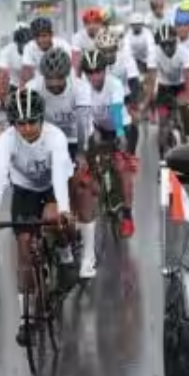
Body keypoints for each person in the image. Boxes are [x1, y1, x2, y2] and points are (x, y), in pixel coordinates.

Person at [0, 88, 75, 347]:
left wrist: (65, 210)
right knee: (24, 252)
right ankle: (26, 319)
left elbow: (59, 176)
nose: (26, 128)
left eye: (31, 122)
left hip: (51, 187)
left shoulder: (55, 137)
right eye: (20, 123)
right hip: (24, 190)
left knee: (53, 218)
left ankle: (66, 253)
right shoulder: (7, 140)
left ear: (41, 119)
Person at [26, 48, 97, 278]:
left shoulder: (80, 88)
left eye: (59, 78)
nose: (55, 83)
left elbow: (82, 124)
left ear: (67, 75)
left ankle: (88, 257)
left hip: (78, 140)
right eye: (50, 79)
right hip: (48, 142)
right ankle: (63, 244)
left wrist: (82, 156)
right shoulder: (33, 88)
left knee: (80, 189)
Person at [80, 50, 135, 238]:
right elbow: (84, 117)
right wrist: (88, 139)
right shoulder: (83, 89)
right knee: (89, 157)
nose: (94, 76)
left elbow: (117, 110)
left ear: (105, 70)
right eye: (90, 72)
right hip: (100, 128)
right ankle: (98, 183)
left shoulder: (115, 85)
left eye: (98, 71)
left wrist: (119, 133)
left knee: (122, 168)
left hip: (122, 127)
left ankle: (127, 216)